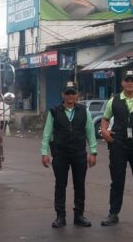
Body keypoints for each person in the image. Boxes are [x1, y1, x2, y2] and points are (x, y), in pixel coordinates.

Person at [99, 69, 133, 227]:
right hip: (118, 144)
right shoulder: (114, 101)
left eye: (132, 80)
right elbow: (105, 118)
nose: (129, 83)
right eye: (126, 80)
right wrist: (104, 131)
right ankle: (113, 214)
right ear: (122, 82)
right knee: (117, 180)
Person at [41, 79, 98, 228]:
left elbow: (90, 132)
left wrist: (93, 152)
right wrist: (44, 152)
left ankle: (79, 215)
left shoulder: (84, 110)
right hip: (60, 154)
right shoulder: (54, 112)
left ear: (77, 94)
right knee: (60, 185)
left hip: (79, 153)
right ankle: (60, 216)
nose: (70, 96)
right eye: (67, 93)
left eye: (73, 93)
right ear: (63, 94)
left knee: (80, 185)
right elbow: (47, 134)